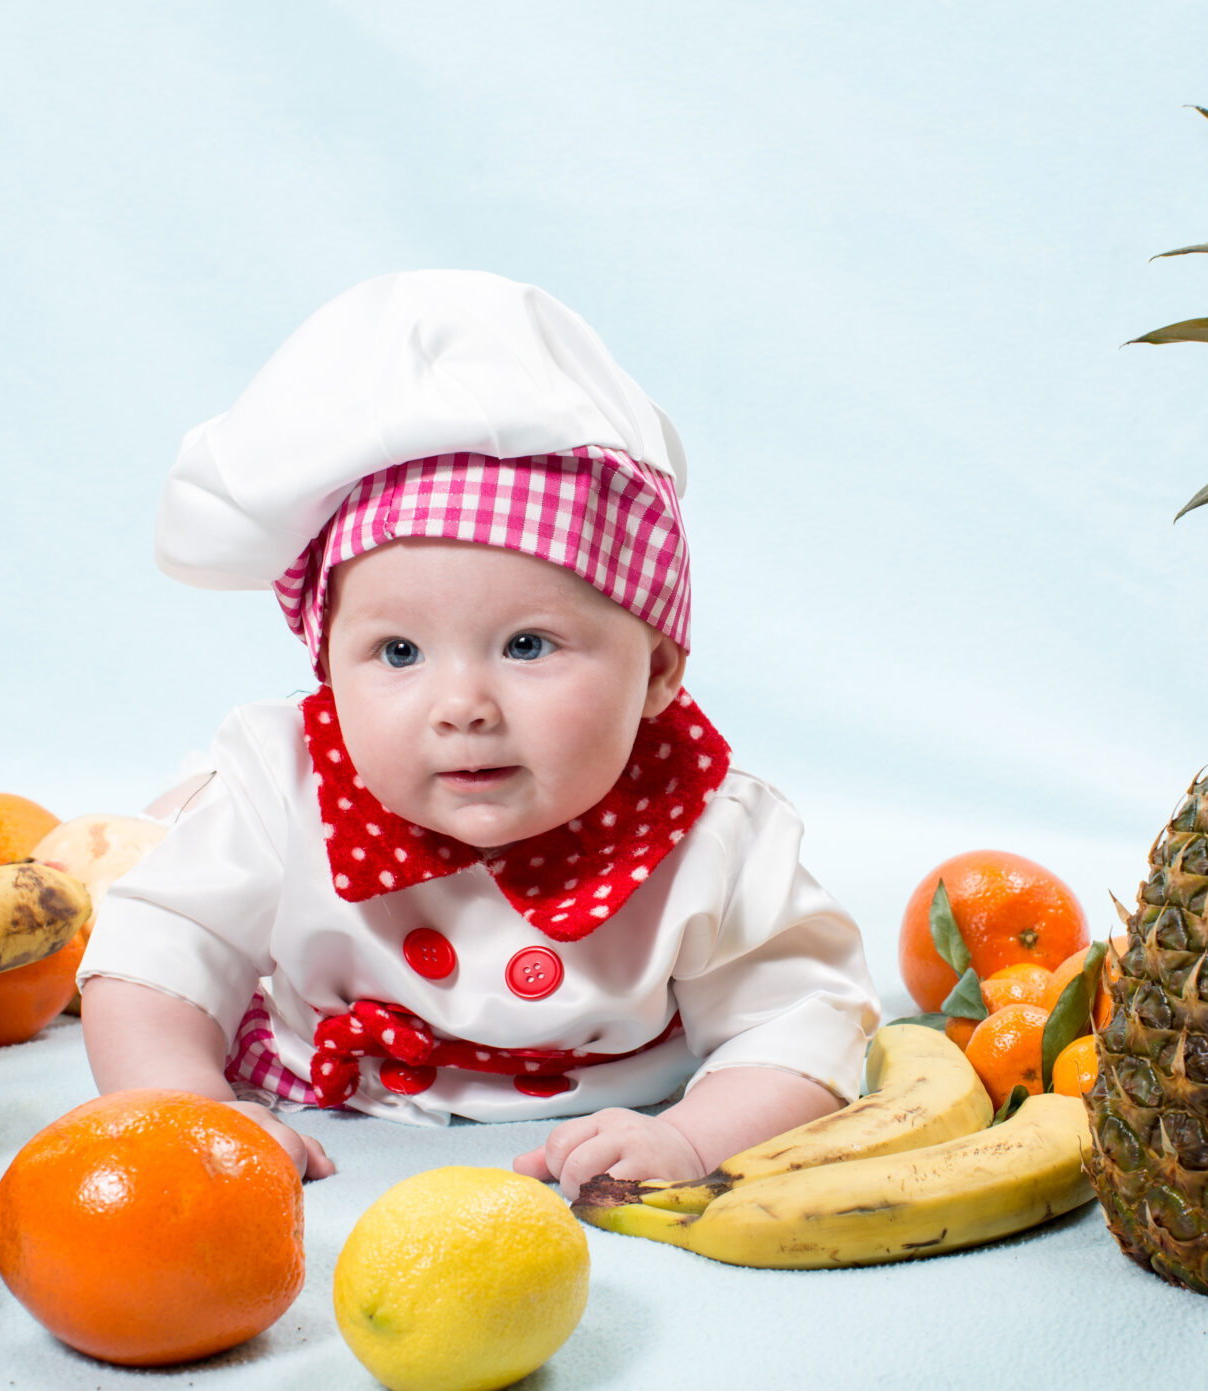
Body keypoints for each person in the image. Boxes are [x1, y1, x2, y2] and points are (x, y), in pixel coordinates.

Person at [77, 270, 880, 1194]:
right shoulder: (285, 784)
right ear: (325, 665)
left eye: (528, 644)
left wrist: (695, 1136)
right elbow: (155, 952)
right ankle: (171, 807)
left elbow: (804, 1018)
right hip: (331, 1098)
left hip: (603, 1111)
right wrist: (184, 1100)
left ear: (658, 667)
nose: (463, 704)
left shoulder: (710, 828)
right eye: (399, 651)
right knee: (171, 861)